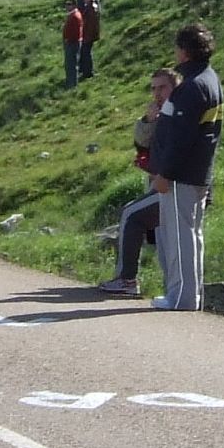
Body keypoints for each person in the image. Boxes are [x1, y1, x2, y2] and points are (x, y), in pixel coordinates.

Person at [148, 23, 224, 311]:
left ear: (184, 51)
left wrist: (165, 173)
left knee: (180, 237)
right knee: (192, 235)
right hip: (197, 172)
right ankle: (192, 295)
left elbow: (180, 138)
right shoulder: (210, 79)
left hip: (181, 175)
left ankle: (181, 297)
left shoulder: (191, 87)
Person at [99, 67, 181, 296]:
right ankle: (169, 289)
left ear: (175, 87)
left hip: (174, 183)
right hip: (156, 179)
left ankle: (127, 280)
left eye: (162, 87)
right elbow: (141, 143)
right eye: (153, 88)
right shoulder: (157, 114)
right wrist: (148, 120)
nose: (157, 93)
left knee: (132, 215)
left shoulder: (179, 112)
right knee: (163, 240)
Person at [79, 0, 100, 80]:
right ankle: (86, 71)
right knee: (85, 53)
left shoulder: (91, 8)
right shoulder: (88, 6)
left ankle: (88, 72)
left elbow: (91, 24)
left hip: (88, 35)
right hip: (87, 34)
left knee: (86, 53)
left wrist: (88, 35)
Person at [62, 0, 83, 89]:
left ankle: (72, 84)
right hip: (72, 42)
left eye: (69, 4)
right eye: (66, 4)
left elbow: (75, 32)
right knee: (70, 64)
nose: (67, 6)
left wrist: (68, 39)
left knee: (71, 64)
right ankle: (71, 82)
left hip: (72, 43)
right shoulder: (72, 15)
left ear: (74, 5)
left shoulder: (75, 16)